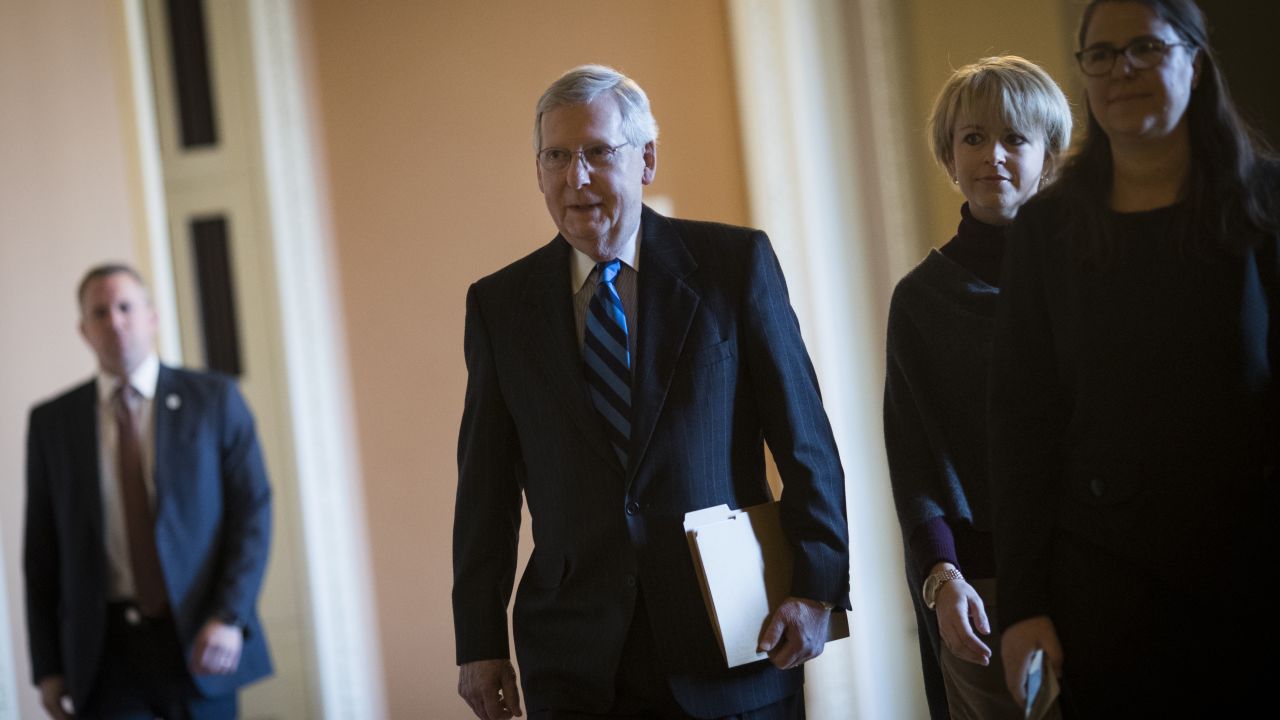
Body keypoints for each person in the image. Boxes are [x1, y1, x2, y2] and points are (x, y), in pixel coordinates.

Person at [452, 64, 849, 720]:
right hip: (578, 664)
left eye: (598, 153)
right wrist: (479, 641)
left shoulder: (733, 266)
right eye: (556, 156)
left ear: (647, 160)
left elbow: (807, 444)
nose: (575, 177)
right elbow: (485, 491)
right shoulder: (500, 306)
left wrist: (816, 587)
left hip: (736, 644)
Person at [988, 1, 1278, 716]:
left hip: (1259, 571)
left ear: (1196, 63)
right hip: (1107, 584)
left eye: (1147, 48)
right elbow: (1022, 424)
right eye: (1103, 54)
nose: (1123, 69)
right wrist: (1022, 604)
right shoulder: (1046, 231)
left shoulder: (1268, 202)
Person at [883, 56, 1071, 720]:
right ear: (949, 156)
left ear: (1048, 156)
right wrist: (944, 578)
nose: (994, 155)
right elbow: (914, 462)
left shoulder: (1090, 278)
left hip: (1098, 570)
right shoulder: (920, 300)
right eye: (973, 137)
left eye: (1016, 138)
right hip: (980, 589)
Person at [24, 264, 274, 719]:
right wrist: (48, 666)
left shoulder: (214, 399)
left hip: (202, 639)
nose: (115, 321)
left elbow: (252, 513)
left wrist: (229, 617)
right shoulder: (53, 423)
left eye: (126, 307)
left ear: (152, 318)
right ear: (84, 330)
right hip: (105, 656)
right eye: (100, 312)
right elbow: (40, 551)